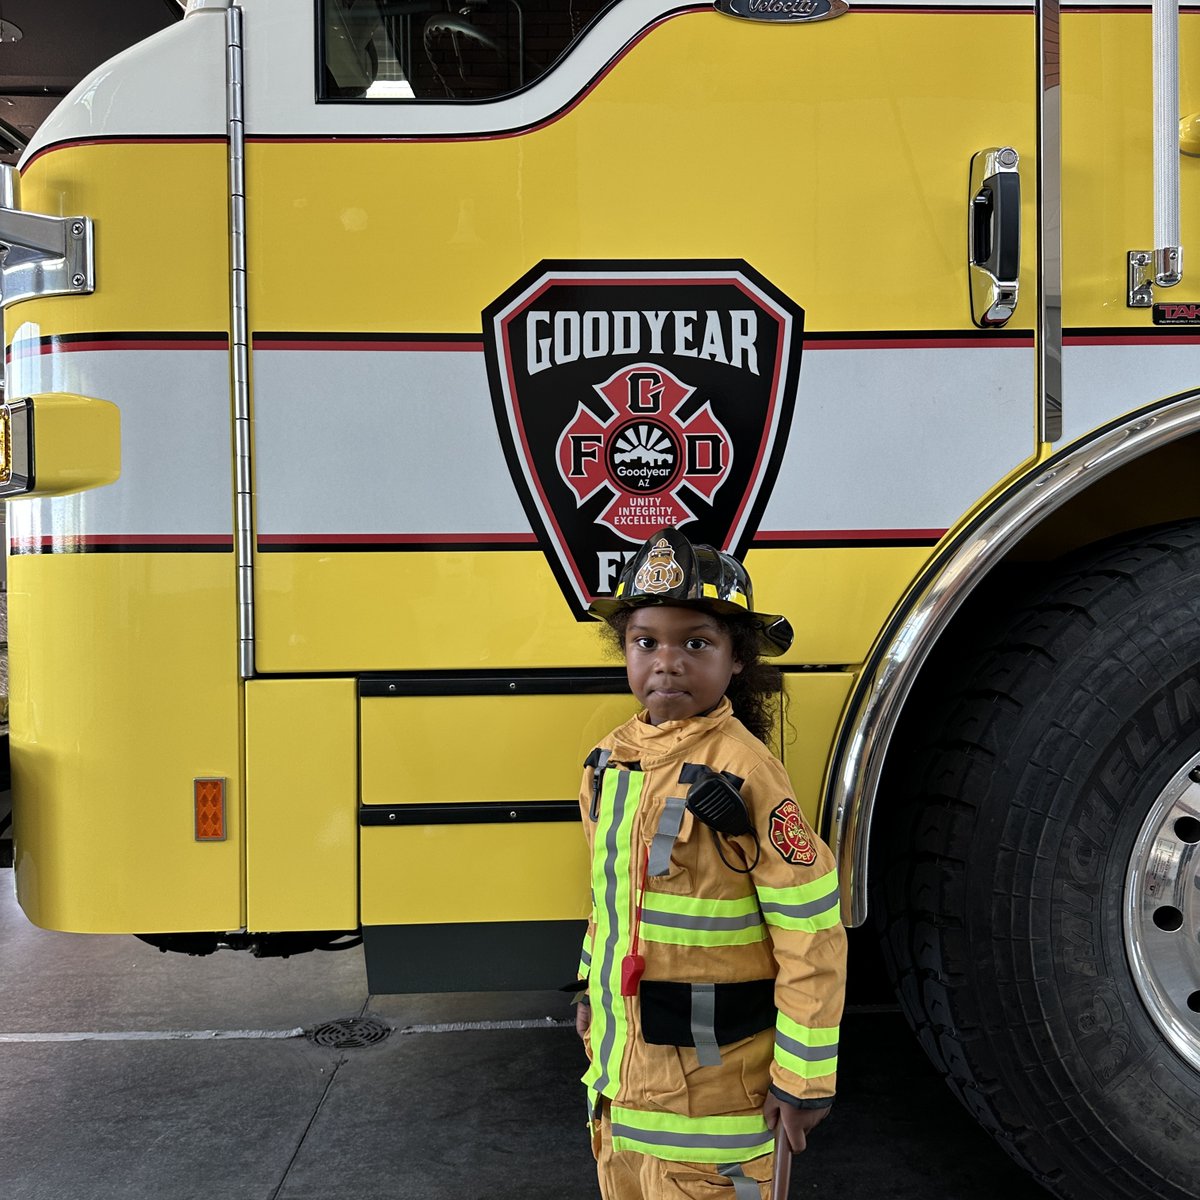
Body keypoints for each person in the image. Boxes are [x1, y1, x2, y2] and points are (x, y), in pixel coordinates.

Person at [574, 526, 847, 1200]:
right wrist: (587, 990)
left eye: (695, 644)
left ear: (737, 660)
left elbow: (811, 931)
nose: (666, 663)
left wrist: (804, 1081)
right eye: (646, 642)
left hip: (717, 1116)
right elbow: (609, 901)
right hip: (620, 1104)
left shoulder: (747, 772)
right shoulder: (608, 763)